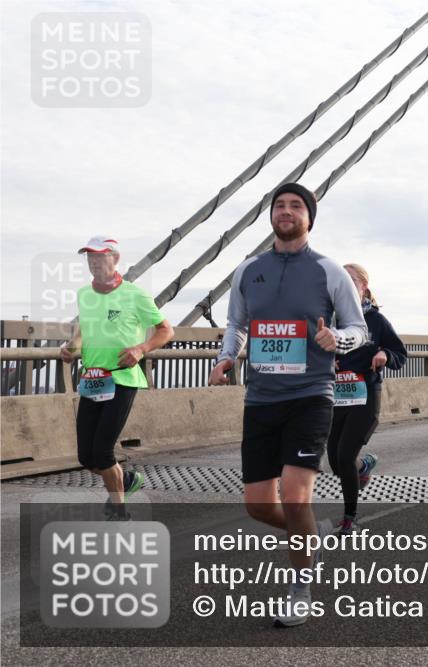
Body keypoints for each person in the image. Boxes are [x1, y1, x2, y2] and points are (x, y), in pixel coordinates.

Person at [209, 182, 368, 627]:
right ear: (271, 216)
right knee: (258, 505)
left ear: (309, 218)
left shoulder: (329, 271)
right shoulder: (248, 270)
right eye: (279, 205)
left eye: (296, 206)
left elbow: (359, 328)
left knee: (296, 498)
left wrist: (337, 338)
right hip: (260, 399)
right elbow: (236, 324)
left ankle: (300, 589)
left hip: (310, 397)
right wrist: (226, 357)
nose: (286, 211)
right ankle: (310, 533)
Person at [60, 236, 174, 519]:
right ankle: (124, 481)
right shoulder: (85, 294)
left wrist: (140, 348)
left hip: (123, 379)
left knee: (102, 451)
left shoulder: (135, 294)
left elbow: (166, 330)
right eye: (89, 257)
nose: (94, 262)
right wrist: (71, 346)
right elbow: (84, 330)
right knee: (86, 457)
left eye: (99, 256)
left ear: (115, 258)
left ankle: (118, 508)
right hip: (92, 379)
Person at [327, 263, 407, 535]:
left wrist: (385, 355)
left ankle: (350, 519)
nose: (345, 285)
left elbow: (400, 353)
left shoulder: (377, 321)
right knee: (336, 462)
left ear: (364, 288)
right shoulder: (331, 320)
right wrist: (329, 362)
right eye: (341, 280)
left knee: (345, 455)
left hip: (365, 397)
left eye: (351, 281)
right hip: (338, 397)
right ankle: (365, 465)